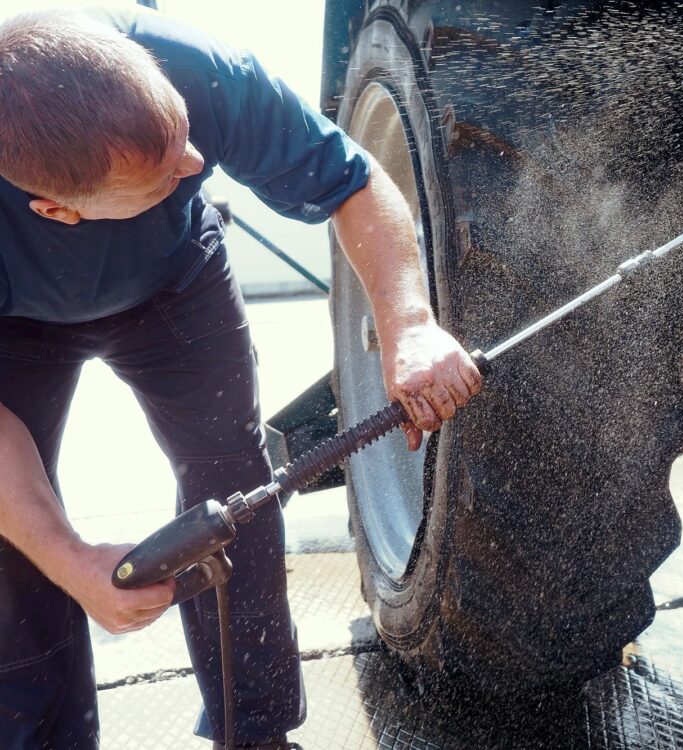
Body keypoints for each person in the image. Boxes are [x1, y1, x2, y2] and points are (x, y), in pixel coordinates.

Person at [0, 7, 482, 749]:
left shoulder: (200, 70)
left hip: (175, 278)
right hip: (14, 324)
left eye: (183, 136)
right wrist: (68, 559)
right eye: (164, 171)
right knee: (21, 539)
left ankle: (255, 731)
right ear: (58, 211)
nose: (196, 163)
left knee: (236, 492)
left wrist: (409, 324)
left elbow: (353, 182)